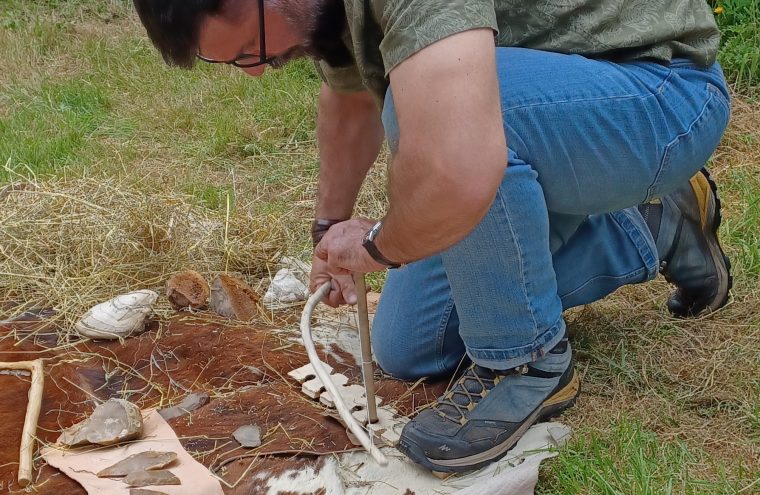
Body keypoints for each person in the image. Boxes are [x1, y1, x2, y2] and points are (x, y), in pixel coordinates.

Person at [133, 0, 732, 473]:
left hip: (662, 92)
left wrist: (375, 248)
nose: (260, 68)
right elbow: (347, 103)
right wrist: (327, 234)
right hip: (554, 118)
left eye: (250, 50)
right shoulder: (320, 11)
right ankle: (650, 230)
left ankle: (525, 364)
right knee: (409, 345)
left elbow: (456, 164)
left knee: (431, 114)